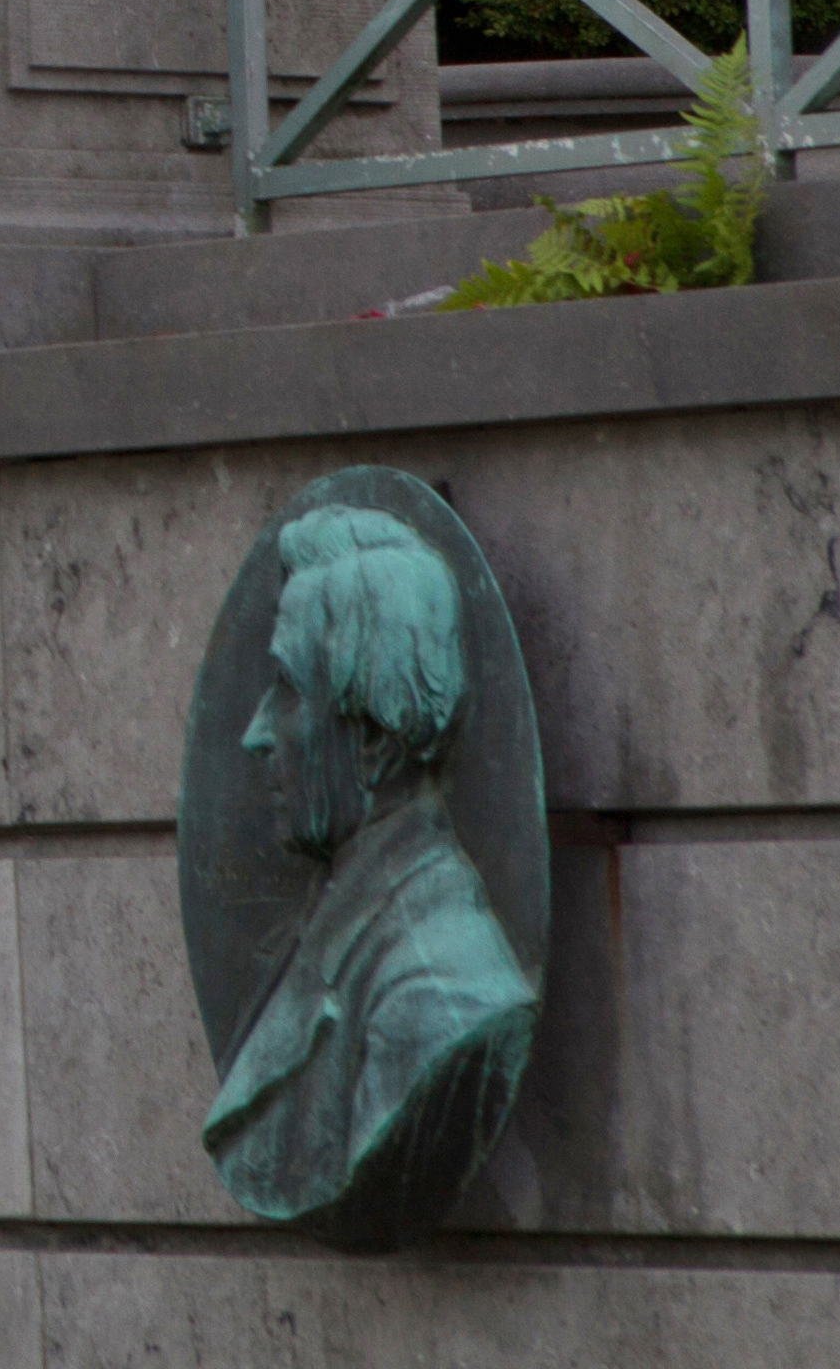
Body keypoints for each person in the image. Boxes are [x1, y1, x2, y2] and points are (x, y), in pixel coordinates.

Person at [202, 503, 542, 1241]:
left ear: (376, 744)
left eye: (288, 690)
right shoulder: (328, 937)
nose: (256, 731)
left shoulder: (437, 1000)